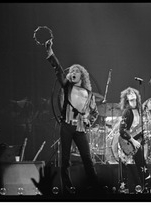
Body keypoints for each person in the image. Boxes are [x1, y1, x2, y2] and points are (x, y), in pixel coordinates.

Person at [44, 39, 100, 195]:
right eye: (72, 71)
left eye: (77, 71)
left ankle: (95, 187)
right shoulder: (67, 86)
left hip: (80, 127)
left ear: (81, 75)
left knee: (87, 159)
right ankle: (68, 189)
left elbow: (95, 112)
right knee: (65, 159)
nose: (73, 72)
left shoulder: (89, 94)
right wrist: (50, 52)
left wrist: (89, 121)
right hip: (67, 126)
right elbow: (58, 69)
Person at [117, 87, 151, 193]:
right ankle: (123, 189)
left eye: (133, 92)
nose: (132, 94)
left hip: (135, 141)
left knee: (142, 165)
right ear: (126, 98)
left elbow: (139, 128)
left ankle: (149, 188)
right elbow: (122, 130)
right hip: (126, 141)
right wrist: (133, 141)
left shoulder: (139, 110)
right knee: (124, 166)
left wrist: (143, 136)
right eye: (129, 93)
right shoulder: (127, 112)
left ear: (136, 96)